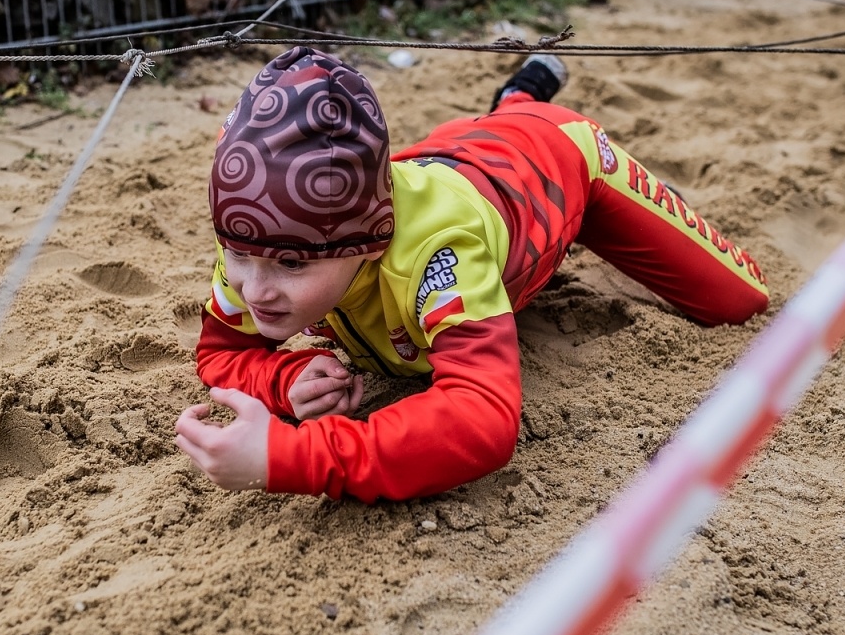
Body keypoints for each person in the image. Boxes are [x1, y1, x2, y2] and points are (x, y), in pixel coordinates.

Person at [174, 47, 768, 502]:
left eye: (292, 264)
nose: (253, 288)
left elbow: (481, 419)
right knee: (484, 136)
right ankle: (513, 99)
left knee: (738, 301)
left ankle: (523, 105)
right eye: (236, 253)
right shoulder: (262, 233)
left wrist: (286, 457)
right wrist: (286, 379)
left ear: (369, 239)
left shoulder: (437, 254)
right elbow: (220, 353)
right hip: (453, 154)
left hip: (558, 159)